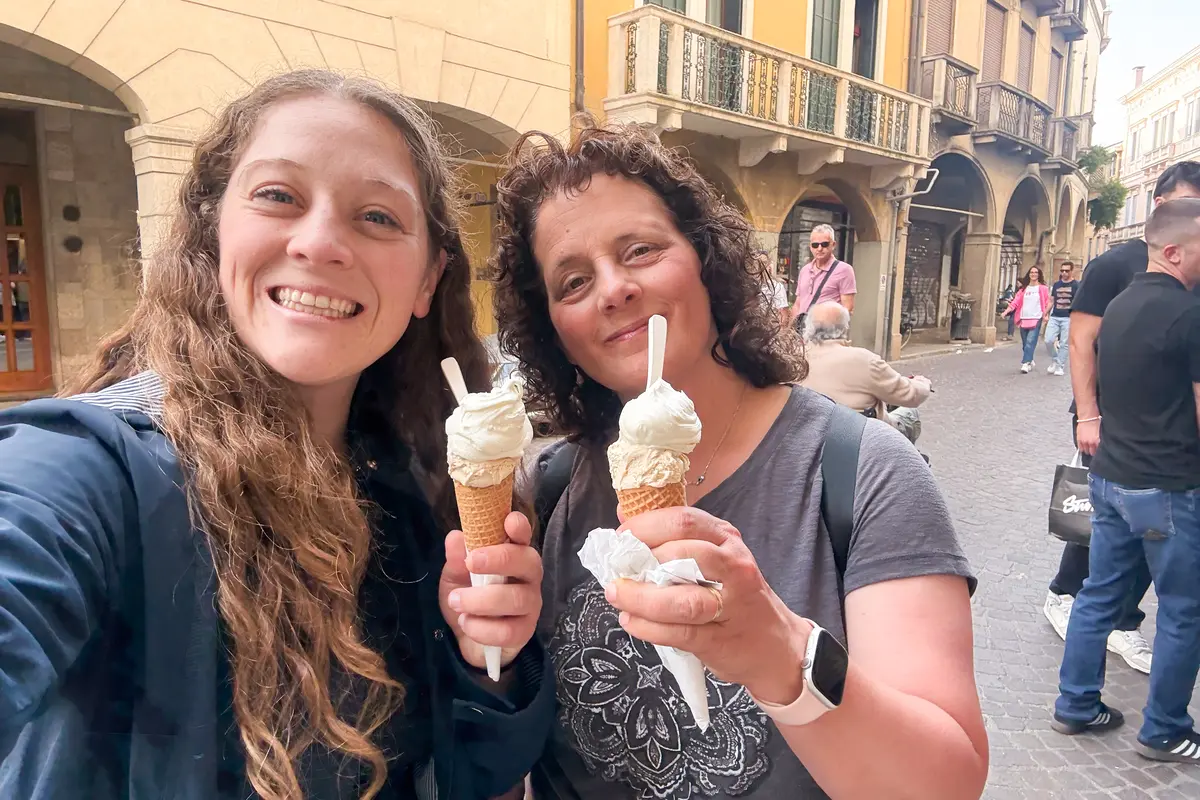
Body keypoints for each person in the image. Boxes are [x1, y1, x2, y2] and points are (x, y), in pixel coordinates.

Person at [0, 70, 552, 799]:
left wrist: (491, 659)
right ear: (211, 230)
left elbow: (467, 774)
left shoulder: (407, 492)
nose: (320, 242)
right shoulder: (95, 467)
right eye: (278, 196)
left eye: (379, 217)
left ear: (428, 280)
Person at [491, 125, 986, 799]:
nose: (613, 288)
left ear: (706, 261)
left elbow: (944, 784)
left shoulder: (862, 472)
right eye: (573, 282)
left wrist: (781, 653)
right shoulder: (551, 489)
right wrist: (481, 656)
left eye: (639, 250)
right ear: (557, 332)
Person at [1052, 198, 1200, 762]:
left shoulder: (1118, 308)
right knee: (1184, 610)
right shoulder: (1189, 316)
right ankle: (1164, 728)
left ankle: (1076, 705)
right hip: (1170, 485)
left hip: (1112, 477)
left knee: (1098, 593)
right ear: (1172, 250)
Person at [800, 301, 932, 444]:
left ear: (808, 328)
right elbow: (910, 394)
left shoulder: (794, 359)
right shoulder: (863, 360)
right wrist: (923, 383)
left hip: (811, 437)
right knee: (911, 414)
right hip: (862, 440)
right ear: (845, 328)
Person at [788, 224, 857, 330]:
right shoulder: (805, 270)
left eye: (824, 244)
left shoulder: (844, 270)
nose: (819, 249)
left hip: (825, 334)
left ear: (833, 245)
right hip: (802, 333)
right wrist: (790, 329)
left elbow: (848, 309)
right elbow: (798, 303)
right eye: (815, 245)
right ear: (810, 246)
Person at [1001, 265, 1051, 373]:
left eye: (1035, 272)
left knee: (1030, 341)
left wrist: (1045, 315)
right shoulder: (1023, 289)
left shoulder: (1043, 288)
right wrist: (1006, 312)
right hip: (1024, 317)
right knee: (1025, 344)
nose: (1033, 274)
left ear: (1039, 275)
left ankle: (1025, 363)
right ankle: (1030, 359)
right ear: (1029, 274)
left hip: (1036, 317)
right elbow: (1015, 302)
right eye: (1031, 272)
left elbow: (1047, 302)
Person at [1044, 261, 1078, 376]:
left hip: (1068, 318)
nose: (1064, 273)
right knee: (1048, 340)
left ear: (1071, 271)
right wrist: (1045, 312)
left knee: (1064, 343)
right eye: (1062, 270)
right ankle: (1055, 359)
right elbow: (1051, 300)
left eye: (1067, 271)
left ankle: (1060, 366)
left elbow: (1078, 302)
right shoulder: (1056, 285)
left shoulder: (1076, 285)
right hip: (1055, 316)